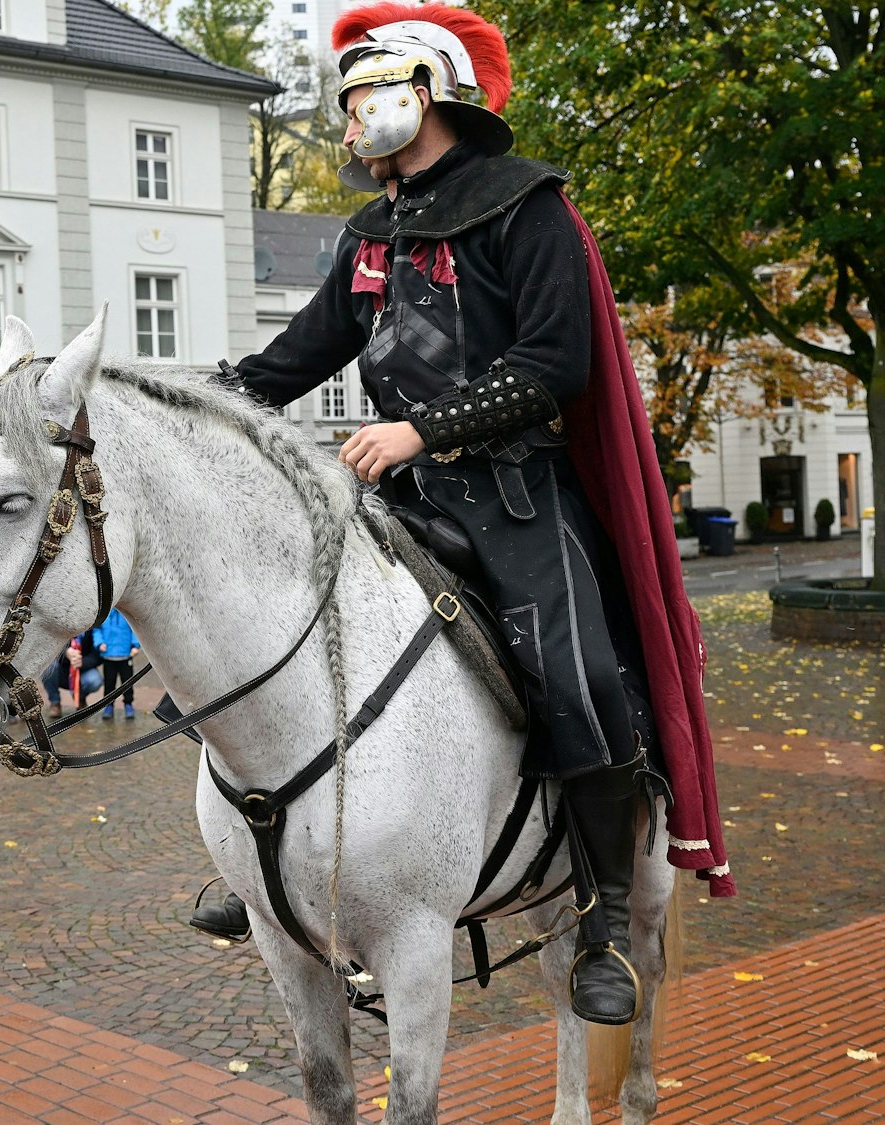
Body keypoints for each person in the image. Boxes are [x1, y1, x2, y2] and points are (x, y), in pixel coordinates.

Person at [192, 1, 716, 1028]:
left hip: (518, 498)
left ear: (418, 93)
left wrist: (419, 430)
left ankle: (606, 914)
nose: (345, 126)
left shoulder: (528, 208)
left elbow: (551, 362)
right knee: (273, 630)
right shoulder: (367, 231)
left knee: (581, 676)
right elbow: (291, 359)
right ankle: (267, 859)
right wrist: (192, 406)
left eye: (356, 104)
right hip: (404, 502)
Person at [94, 609, 140, 721]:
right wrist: (99, 643)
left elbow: (134, 629)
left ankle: (128, 704)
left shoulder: (127, 613)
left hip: (125, 655)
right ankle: (108, 705)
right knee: (109, 683)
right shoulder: (104, 614)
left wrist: (135, 645)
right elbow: (97, 630)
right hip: (109, 656)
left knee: (127, 683)